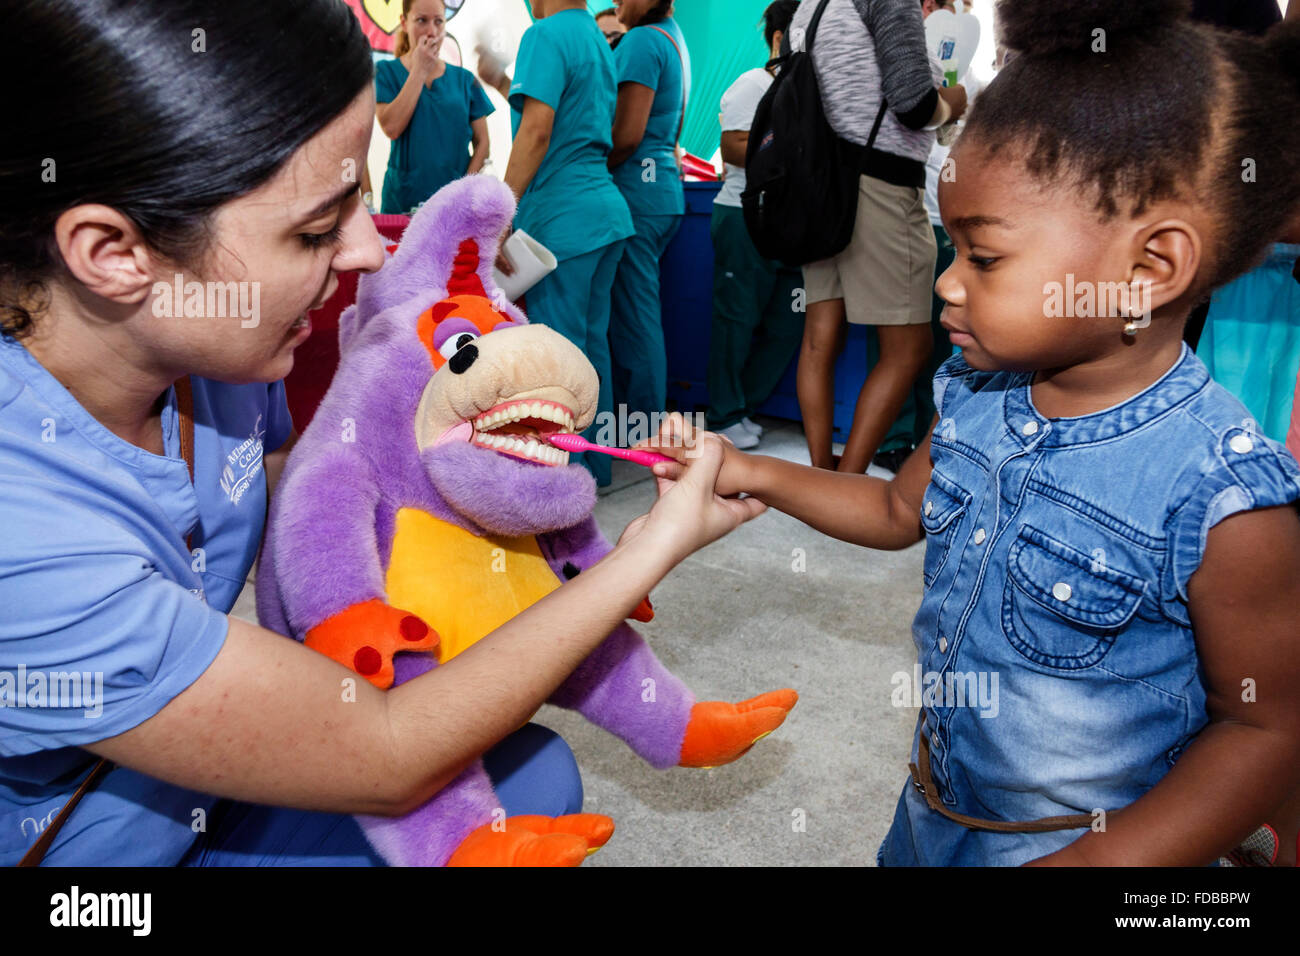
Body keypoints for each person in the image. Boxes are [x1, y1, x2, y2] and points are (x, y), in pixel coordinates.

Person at [0, 0, 761, 867]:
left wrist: (489, 465)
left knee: (529, 778)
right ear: (113, 251)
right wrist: (643, 555)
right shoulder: (22, 533)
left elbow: (327, 494)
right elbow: (390, 753)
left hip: (200, 794)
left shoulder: (217, 363)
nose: (367, 252)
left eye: (362, 198)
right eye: (318, 228)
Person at [646, 1, 1300, 866]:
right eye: (950, 249)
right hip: (929, 816)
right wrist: (747, 469)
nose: (949, 285)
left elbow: (1265, 727)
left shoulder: (1222, 496)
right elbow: (892, 513)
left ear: (1148, 270)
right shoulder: (975, 392)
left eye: (983, 258)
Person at [790, 0, 966, 474]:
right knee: (909, 347)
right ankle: (846, 484)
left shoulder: (810, 6)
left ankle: (821, 472)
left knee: (818, 338)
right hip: (880, 186)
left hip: (821, 188)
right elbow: (914, 105)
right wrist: (956, 99)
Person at [498, 0, 635, 488]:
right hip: (604, 216)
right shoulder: (597, 40)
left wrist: (501, 212)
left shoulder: (544, 35)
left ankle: (560, 485)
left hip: (562, 223)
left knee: (555, 358)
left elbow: (536, 131)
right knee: (591, 349)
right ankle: (594, 469)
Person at [705, 0, 804, 451]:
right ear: (781, 37)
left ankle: (741, 405)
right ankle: (724, 414)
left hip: (792, 223)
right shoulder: (752, 84)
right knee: (737, 320)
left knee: (789, 323)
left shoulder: (808, 88)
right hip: (745, 216)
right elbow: (733, 149)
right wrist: (801, 156)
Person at [606, 0, 689, 424]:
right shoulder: (672, 36)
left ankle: (641, 428)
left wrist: (581, 166)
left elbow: (626, 135)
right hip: (660, 193)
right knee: (638, 313)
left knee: (634, 319)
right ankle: (638, 420)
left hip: (639, 195)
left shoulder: (641, 40)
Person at [375, 0, 495, 215]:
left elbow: (483, 142)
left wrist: (463, 192)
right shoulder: (385, 72)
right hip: (402, 205)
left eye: (439, 22)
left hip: (455, 209)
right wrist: (420, 70)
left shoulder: (465, 80)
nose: (431, 31)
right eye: (421, 20)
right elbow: (391, 128)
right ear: (404, 23)